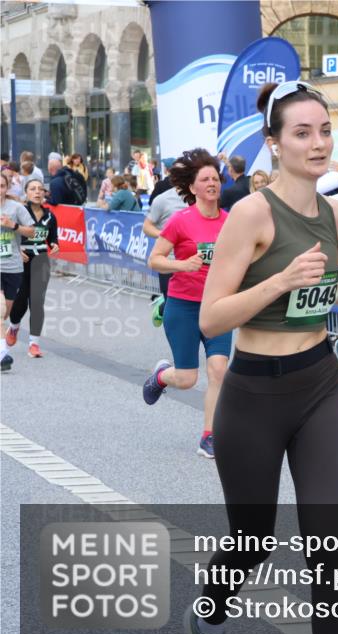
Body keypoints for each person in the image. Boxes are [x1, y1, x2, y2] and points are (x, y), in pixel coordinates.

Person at [190, 80, 338, 634]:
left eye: (325, 130)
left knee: (328, 547)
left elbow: (328, 276)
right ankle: (208, 616)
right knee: (252, 539)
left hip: (319, 384)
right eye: (302, 132)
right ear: (274, 143)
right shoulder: (250, 214)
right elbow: (211, 318)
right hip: (253, 392)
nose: (318, 142)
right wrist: (278, 281)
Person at [142, 149, 232, 460]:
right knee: (187, 378)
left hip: (218, 306)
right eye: (204, 179)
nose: (212, 183)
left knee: (219, 369)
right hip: (184, 305)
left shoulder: (231, 222)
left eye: (215, 178)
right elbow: (154, 259)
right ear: (192, 188)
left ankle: (210, 434)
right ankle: (161, 376)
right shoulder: (181, 221)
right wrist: (183, 265)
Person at [6, 175, 58, 359]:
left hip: (41, 260)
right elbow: (8, 233)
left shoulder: (50, 215)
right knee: (19, 301)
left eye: (40, 189)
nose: (37, 192)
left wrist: (54, 244)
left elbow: (53, 237)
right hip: (21, 259)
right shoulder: (19, 210)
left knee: (37, 302)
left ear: (44, 193)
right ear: (26, 193)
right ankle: (13, 327)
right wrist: (16, 249)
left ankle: (34, 344)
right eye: (33, 189)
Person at [1, 171, 37, 372]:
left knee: (5, 313)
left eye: (2, 186)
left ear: (7, 188)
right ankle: (2, 355)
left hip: (13, 267)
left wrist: (12, 225)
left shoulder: (16, 208)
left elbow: (32, 231)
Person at [143, 175, 188, 326]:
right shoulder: (163, 199)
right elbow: (147, 227)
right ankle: (163, 308)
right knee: (173, 307)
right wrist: (165, 236)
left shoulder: (203, 199)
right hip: (168, 261)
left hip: (194, 261)